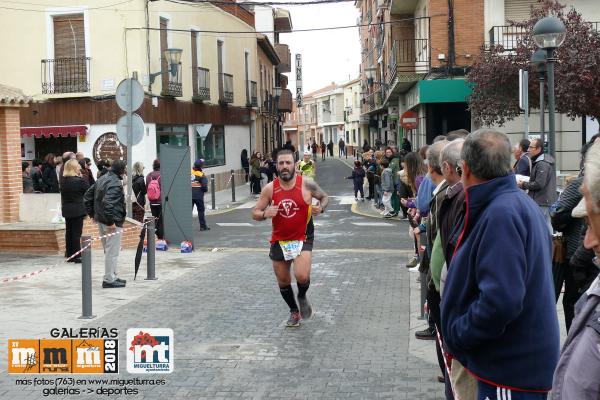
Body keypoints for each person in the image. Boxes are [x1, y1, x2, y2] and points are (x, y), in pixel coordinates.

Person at [441, 129, 560, 399]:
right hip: (514, 367)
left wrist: (459, 334)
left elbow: (501, 300)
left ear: (466, 169)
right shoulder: (512, 205)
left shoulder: (501, 214)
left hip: (510, 370)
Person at [252, 148, 329, 327]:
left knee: (302, 276)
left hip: (303, 237)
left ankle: (302, 296)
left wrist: (321, 208)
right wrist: (265, 214)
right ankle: (294, 311)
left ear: (295, 164)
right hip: (280, 239)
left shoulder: (307, 184)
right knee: (284, 280)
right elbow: (254, 212)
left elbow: (324, 197)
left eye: (288, 163)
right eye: (281, 163)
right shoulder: (270, 189)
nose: (285, 166)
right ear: (276, 166)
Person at [551, 141, 600, 400]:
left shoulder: (574, 188)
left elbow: (558, 215)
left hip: (575, 260)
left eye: (592, 222)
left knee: (572, 302)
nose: (590, 240)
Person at [84, 160, 128, 288]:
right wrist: (110, 222)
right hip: (111, 221)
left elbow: (87, 197)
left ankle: (113, 275)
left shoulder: (102, 178)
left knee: (109, 251)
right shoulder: (115, 183)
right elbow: (108, 202)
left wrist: (93, 214)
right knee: (112, 251)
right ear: (121, 171)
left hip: (103, 219)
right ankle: (109, 279)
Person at [519, 138, 557, 232]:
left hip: (542, 200)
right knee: (546, 226)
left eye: (531, 147)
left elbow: (539, 184)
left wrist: (523, 184)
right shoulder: (540, 162)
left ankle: (548, 245)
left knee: (542, 227)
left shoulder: (542, 164)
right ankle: (549, 244)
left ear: (538, 149)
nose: (528, 150)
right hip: (543, 200)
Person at [61, 159, 89, 263]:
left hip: (67, 209)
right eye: (78, 166)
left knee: (69, 232)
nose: (79, 168)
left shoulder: (63, 181)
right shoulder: (79, 181)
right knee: (77, 233)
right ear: (74, 168)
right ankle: (77, 256)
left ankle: (69, 255)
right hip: (78, 209)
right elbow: (88, 191)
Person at [146, 159, 164, 240]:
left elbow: (147, 188)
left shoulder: (148, 176)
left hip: (152, 201)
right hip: (160, 201)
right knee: (161, 220)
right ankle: (160, 238)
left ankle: (155, 237)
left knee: (154, 219)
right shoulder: (163, 175)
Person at [191, 159, 209, 231]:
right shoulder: (201, 175)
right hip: (198, 196)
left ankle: (187, 227)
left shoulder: (190, 172)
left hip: (190, 195)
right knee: (201, 211)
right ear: (201, 167)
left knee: (189, 211)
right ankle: (202, 226)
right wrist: (205, 190)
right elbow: (204, 186)